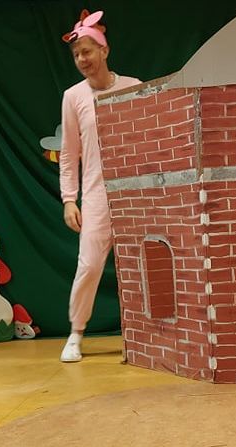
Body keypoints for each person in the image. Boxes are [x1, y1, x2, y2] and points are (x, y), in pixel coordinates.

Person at [59, 10, 141, 362]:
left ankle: (143, 334)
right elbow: (69, 153)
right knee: (90, 265)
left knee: (138, 263)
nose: (82, 59)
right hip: (96, 194)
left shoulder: (134, 87)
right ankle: (76, 333)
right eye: (77, 54)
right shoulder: (73, 96)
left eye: (87, 51)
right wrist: (69, 199)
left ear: (104, 51)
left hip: (135, 192)